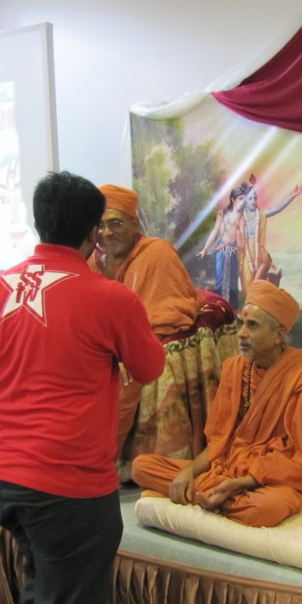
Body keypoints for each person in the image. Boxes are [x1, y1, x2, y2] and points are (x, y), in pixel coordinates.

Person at [0, 171, 164, 604]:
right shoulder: (108, 295)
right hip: (70, 484)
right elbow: (149, 366)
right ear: (94, 233)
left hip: (5, 477)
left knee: (40, 595)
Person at [132, 281, 302, 528]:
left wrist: (244, 481)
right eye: (240, 324)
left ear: (279, 334)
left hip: (280, 476)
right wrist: (189, 472)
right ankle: (217, 495)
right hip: (231, 466)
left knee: (265, 509)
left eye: (252, 326)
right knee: (142, 467)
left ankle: (214, 494)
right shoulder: (234, 369)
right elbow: (220, 442)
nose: (241, 334)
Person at [90, 184, 205, 458]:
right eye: (101, 226)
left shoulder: (156, 253)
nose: (107, 233)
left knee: (123, 378)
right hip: (105, 344)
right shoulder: (93, 259)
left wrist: (122, 341)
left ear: (134, 223)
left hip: (135, 344)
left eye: (115, 224)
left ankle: (103, 461)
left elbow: (169, 316)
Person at [239, 180, 302, 293]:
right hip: (246, 253)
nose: (253, 201)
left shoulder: (261, 214)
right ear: (244, 201)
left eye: (255, 198)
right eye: (250, 199)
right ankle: (250, 307)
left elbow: (277, 209)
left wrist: (291, 196)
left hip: (259, 251)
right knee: (247, 285)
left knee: (256, 282)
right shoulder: (240, 216)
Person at [197, 185, 246, 306]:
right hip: (220, 250)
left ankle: (233, 310)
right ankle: (219, 307)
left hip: (233, 250)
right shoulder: (222, 213)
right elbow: (215, 230)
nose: (243, 201)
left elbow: (241, 242)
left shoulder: (241, 217)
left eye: (244, 198)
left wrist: (240, 234)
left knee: (233, 280)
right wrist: (205, 249)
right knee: (219, 280)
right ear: (233, 200)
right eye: (240, 198)